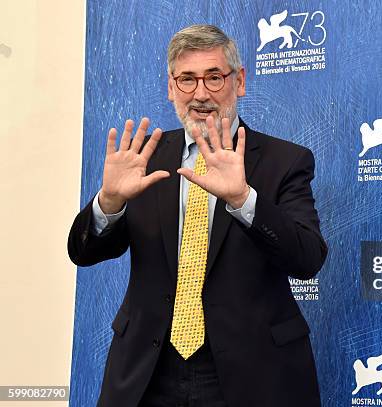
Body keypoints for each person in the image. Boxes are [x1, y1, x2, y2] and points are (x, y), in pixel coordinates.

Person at [68, 24, 327, 407]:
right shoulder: (145, 159)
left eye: (214, 77)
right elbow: (83, 253)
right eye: (187, 80)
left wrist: (243, 198)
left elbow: (307, 258)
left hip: (252, 373)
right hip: (147, 371)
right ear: (171, 87)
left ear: (239, 81)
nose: (201, 93)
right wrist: (109, 202)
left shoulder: (284, 161)